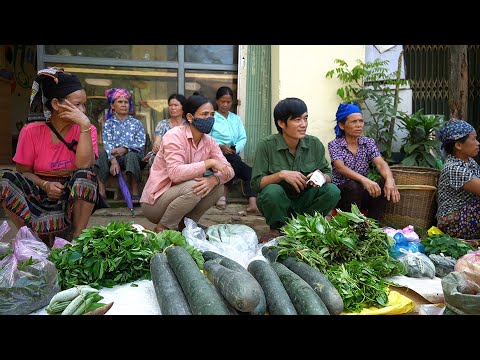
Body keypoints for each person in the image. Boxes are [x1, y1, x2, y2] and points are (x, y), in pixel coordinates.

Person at [0, 67, 100, 246]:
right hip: (39, 193)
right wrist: (45, 185)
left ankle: (76, 240)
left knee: (86, 176)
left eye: (84, 105)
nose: (82, 110)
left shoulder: (87, 129)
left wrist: (85, 126)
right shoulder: (31, 131)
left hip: (69, 194)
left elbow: (84, 165)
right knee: (5, 180)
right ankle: (33, 240)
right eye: (77, 105)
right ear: (56, 104)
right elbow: (23, 172)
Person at [140, 92, 234, 233]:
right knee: (195, 186)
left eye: (212, 115)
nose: (210, 119)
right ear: (190, 117)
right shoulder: (174, 136)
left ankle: (186, 225)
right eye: (204, 114)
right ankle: (163, 227)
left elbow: (229, 170)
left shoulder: (209, 141)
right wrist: (209, 163)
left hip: (183, 197)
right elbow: (175, 174)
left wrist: (214, 179)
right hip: (156, 202)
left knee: (218, 187)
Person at [251, 97, 341, 243]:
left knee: (332, 191)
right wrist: (281, 175)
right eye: (297, 120)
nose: (303, 124)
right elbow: (256, 183)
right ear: (281, 123)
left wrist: (322, 177)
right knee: (271, 191)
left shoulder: (314, 144)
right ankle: (276, 229)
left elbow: (328, 173)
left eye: (305, 119)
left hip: (305, 201)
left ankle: (305, 227)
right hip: (278, 203)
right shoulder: (266, 145)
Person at [327, 103, 400, 220]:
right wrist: (364, 180)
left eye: (361, 121)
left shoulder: (367, 142)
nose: (359, 125)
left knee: (383, 182)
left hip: (362, 192)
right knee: (353, 185)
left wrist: (390, 180)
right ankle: (353, 226)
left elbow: (380, 163)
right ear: (341, 125)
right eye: (353, 122)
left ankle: (374, 225)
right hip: (343, 196)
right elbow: (340, 167)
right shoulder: (335, 145)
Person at [210, 86, 259, 213]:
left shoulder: (235, 118)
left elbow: (243, 137)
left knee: (250, 172)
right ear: (217, 101)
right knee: (234, 162)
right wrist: (219, 146)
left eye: (229, 102)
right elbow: (206, 138)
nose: (225, 105)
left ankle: (252, 203)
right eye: (222, 101)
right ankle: (224, 194)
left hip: (233, 153)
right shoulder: (212, 117)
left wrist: (235, 148)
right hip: (215, 154)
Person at [96, 88, 146, 204]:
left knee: (131, 156)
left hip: (131, 156)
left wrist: (125, 149)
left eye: (126, 102)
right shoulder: (108, 124)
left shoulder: (136, 123)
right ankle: (101, 190)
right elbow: (107, 143)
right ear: (112, 106)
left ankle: (134, 190)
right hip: (113, 157)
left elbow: (140, 143)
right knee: (100, 154)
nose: (124, 105)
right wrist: (113, 160)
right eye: (120, 102)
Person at [436, 118, 480, 243]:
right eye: (473, 139)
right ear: (459, 145)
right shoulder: (453, 168)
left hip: (467, 215)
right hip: (454, 223)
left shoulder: (470, 162)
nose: (477, 143)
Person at [146, 93, 187, 165]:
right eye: (170, 105)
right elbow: (157, 143)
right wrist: (156, 145)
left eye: (176, 105)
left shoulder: (188, 125)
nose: (172, 108)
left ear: (183, 108)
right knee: (154, 159)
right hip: (164, 154)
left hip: (183, 155)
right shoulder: (162, 124)